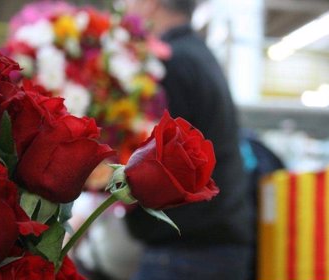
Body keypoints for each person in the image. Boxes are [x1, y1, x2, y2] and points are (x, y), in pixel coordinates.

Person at [124, 1, 255, 280]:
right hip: (213, 243)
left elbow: (158, 159)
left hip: (184, 250)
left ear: (150, 4)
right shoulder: (199, 55)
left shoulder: (171, 63)